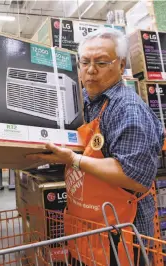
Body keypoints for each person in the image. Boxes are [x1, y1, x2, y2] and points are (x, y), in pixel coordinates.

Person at [26, 27, 164, 265]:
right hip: (89, 222)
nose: (90, 70)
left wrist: (73, 160)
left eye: (101, 62)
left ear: (120, 66)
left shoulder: (127, 110)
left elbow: (135, 177)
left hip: (122, 232)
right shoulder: (84, 100)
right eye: (85, 62)